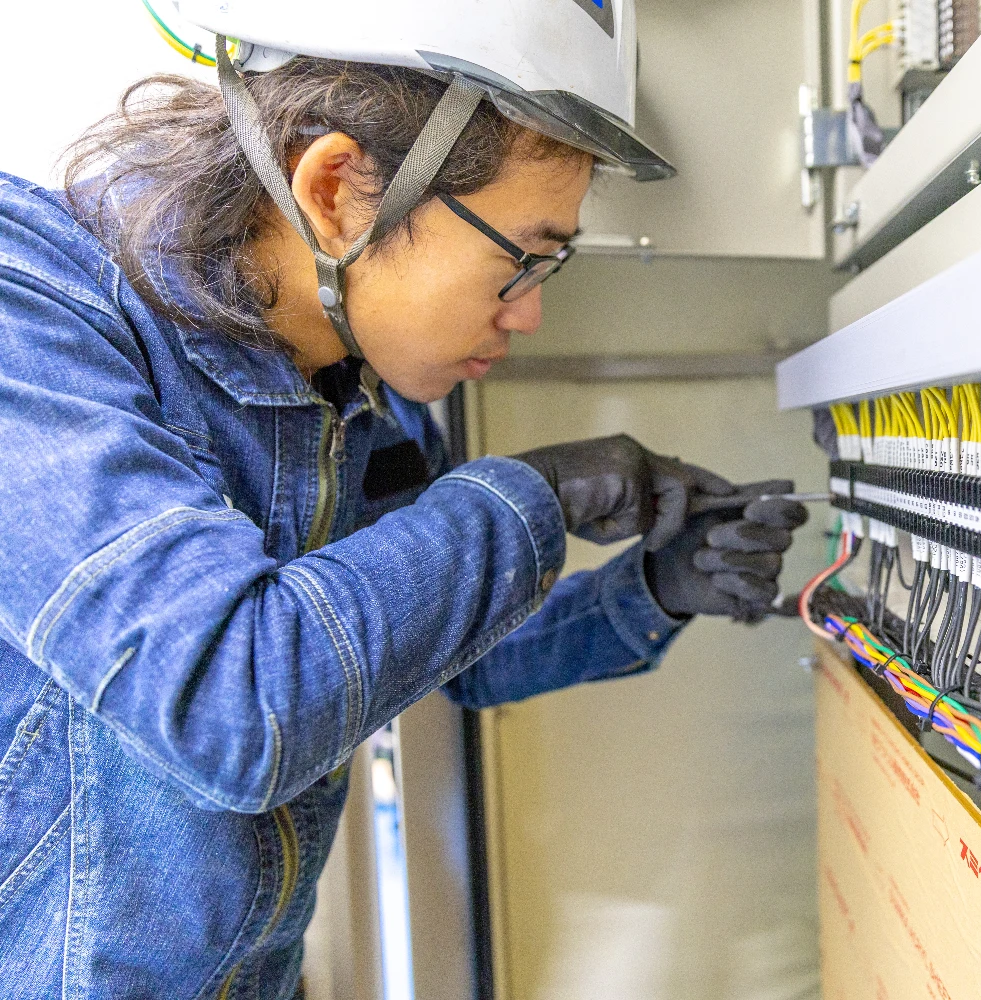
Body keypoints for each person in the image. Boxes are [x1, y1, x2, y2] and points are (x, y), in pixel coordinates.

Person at [0, 2, 807, 995]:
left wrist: (650, 591)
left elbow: (428, 656)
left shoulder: (350, 382)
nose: (530, 312)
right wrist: (536, 495)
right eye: (522, 258)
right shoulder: (29, 309)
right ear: (337, 190)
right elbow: (234, 704)